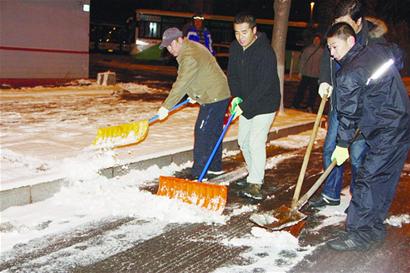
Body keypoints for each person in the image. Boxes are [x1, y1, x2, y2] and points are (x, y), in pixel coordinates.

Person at [324, 22, 409, 251]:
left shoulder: (349, 74)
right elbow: (399, 56)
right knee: (383, 179)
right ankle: (374, 228)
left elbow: (348, 114)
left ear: (350, 41)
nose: (332, 54)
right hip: (402, 123)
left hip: (386, 131)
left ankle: (359, 233)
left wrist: (342, 144)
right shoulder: (377, 50)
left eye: (334, 47)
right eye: (329, 48)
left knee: (367, 180)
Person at [311, 0, 388, 208]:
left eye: (345, 23)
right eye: (337, 22)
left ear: (359, 22)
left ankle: (358, 199)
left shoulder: (372, 42)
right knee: (330, 149)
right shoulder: (336, 34)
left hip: (362, 109)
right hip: (338, 102)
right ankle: (330, 193)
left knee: (357, 155)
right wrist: (325, 80)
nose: (339, 27)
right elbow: (328, 57)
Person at [156, 27, 230, 179]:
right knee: (213, 132)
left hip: (214, 96)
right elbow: (199, 73)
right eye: (167, 47)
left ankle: (198, 174)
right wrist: (195, 94)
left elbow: (182, 82)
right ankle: (215, 167)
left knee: (202, 132)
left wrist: (166, 106)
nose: (170, 49)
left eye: (171, 45)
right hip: (218, 93)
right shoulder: (191, 48)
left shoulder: (189, 54)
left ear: (179, 40)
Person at [227, 12, 281, 200]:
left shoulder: (265, 52)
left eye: (244, 32)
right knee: (243, 141)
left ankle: (256, 182)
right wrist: (236, 98)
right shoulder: (235, 48)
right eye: (236, 33)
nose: (240, 37)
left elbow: (265, 84)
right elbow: (232, 74)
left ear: (254, 30)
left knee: (255, 142)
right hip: (247, 103)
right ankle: (253, 174)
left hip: (265, 103)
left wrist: (246, 104)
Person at [291, 34, 324, 112]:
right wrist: (300, 71)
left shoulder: (322, 51)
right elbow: (302, 61)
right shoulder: (307, 49)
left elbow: (323, 64)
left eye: (318, 40)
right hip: (306, 73)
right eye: (315, 39)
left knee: (313, 92)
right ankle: (295, 104)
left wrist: (321, 75)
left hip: (316, 75)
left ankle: (310, 106)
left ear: (320, 41)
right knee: (301, 90)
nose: (316, 41)